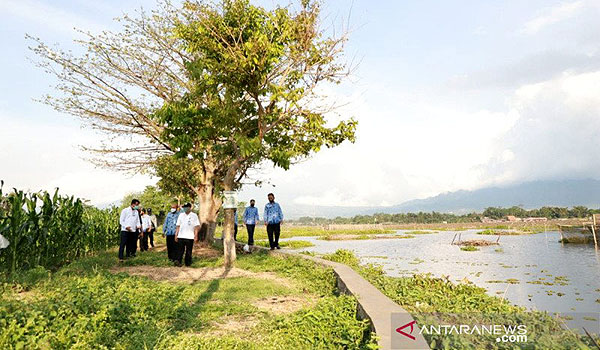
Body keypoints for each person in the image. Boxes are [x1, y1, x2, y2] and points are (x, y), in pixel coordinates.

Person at [174, 203, 200, 267]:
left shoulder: (194, 215)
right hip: (181, 236)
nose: (185, 208)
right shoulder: (181, 215)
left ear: (190, 207)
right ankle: (178, 261)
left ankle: (188, 263)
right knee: (180, 250)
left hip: (190, 236)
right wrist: (176, 235)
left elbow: (196, 226)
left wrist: (196, 235)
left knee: (188, 251)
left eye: (186, 207)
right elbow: (178, 226)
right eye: (184, 207)